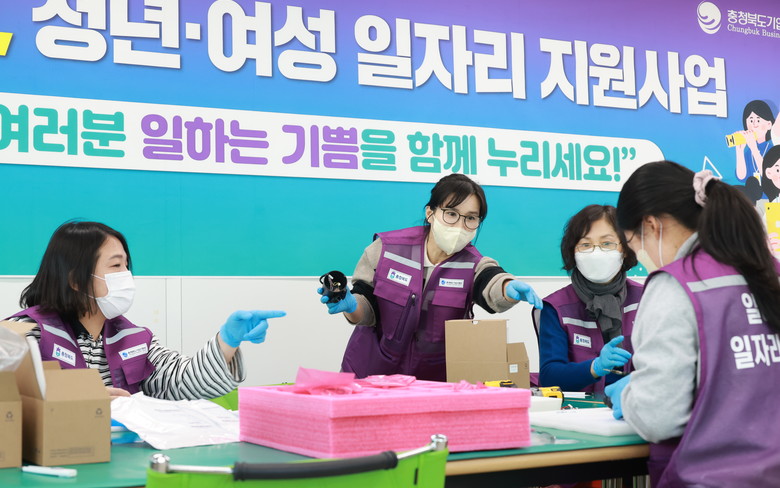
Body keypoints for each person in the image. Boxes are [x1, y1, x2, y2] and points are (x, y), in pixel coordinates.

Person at [606, 161, 780, 486]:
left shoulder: (677, 284)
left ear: (651, 225)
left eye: (633, 244)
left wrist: (630, 397)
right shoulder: (771, 272)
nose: (642, 259)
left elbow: (658, 418)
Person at [5, 221, 285, 400]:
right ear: (75, 279)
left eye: (126, 266)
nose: (126, 275)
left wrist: (228, 341)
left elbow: (184, 383)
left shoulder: (135, 339)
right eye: (115, 266)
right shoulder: (24, 334)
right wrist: (82, 397)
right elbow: (9, 401)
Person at [317, 173, 542, 381]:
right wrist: (351, 305)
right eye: (451, 214)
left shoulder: (473, 264)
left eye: (471, 218)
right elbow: (365, 309)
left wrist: (507, 287)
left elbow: (491, 280)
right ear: (430, 213)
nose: (460, 225)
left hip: (431, 383)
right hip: (370, 375)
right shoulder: (386, 249)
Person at [536, 205, 640, 394]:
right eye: (585, 245)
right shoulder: (556, 307)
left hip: (639, 404)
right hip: (581, 409)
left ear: (625, 249)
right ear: (573, 252)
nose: (596, 252)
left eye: (607, 243)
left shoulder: (645, 298)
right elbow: (549, 377)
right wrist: (594, 367)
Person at [733, 99, 774, 184]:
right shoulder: (748, 152)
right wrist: (739, 150)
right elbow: (741, 177)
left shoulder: (773, 150)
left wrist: (754, 149)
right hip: (752, 191)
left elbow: (768, 176)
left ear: (769, 124)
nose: (754, 125)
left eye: (758, 120)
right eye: (751, 121)